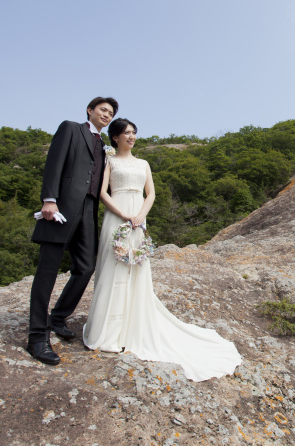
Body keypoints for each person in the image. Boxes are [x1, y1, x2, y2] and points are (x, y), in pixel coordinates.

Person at [83, 118, 241, 381]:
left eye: (133, 132)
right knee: (113, 267)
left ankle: (132, 328)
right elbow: (101, 192)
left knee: (137, 267)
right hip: (116, 216)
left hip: (138, 218)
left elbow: (151, 194)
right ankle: (109, 330)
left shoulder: (144, 163)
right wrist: (123, 214)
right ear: (115, 138)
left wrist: (139, 217)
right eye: (125, 133)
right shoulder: (110, 161)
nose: (131, 137)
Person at [27, 97, 119, 365]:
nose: (106, 114)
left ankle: (57, 317)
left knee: (85, 267)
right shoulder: (70, 128)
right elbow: (54, 164)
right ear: (90, 110)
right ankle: (36, 337)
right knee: (47, 270)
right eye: (102, 109)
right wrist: (49, 199)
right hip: (61, 208)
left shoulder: (104, 146)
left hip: (89, 212)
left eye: (111, 113)